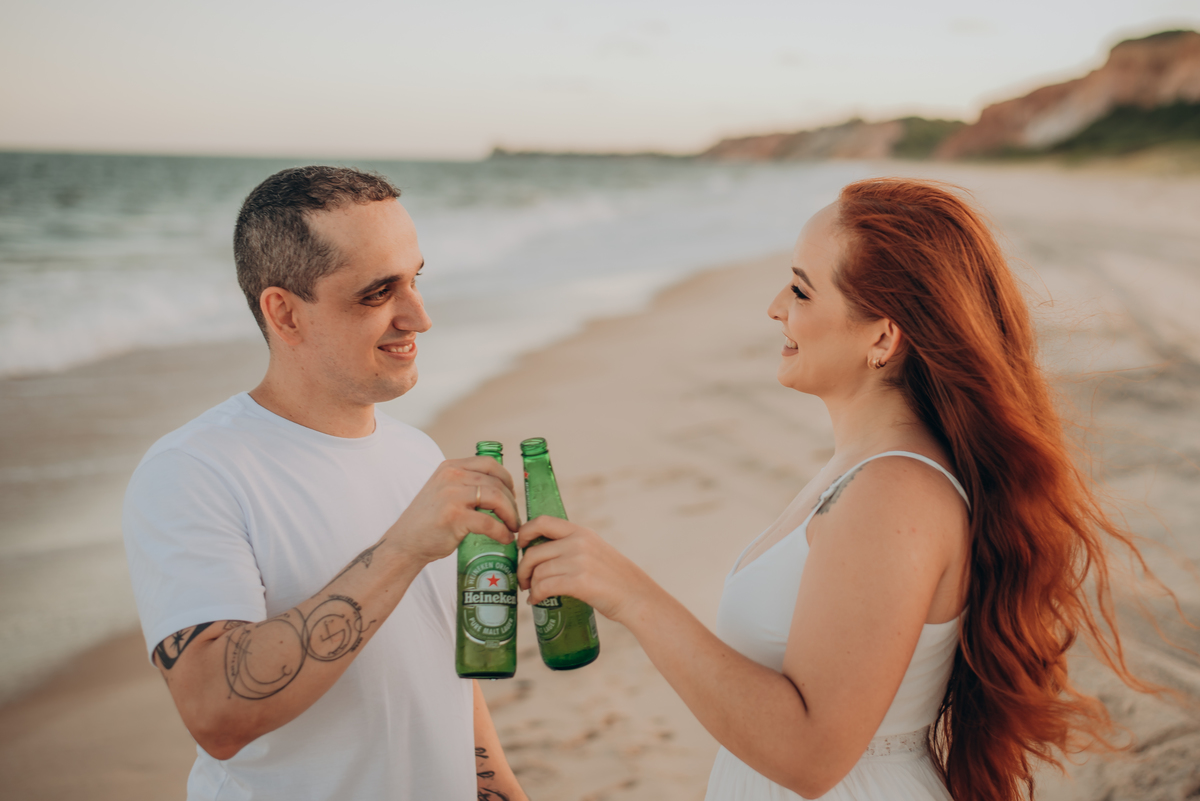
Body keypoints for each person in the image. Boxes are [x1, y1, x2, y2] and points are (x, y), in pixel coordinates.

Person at [517, 178, 1150, 801]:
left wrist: (630, 595)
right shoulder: (862, 470)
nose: (774, 308)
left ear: (882, 336)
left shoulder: (892, 494)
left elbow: (812, 754)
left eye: (799, 289)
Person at [123, 166, 528, 801]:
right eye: (378, 293)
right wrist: (402, 550)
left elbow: (439, 675)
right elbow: (214, 712)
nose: (419, 317)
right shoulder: (194, 471)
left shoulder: (416, 453)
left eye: (416, 279)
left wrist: (501, 790)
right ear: (284, 313)